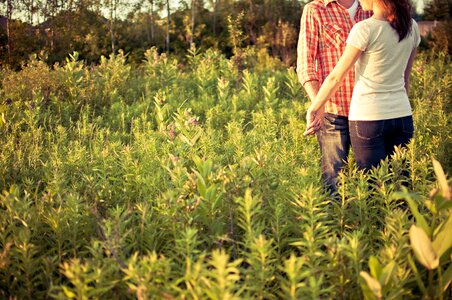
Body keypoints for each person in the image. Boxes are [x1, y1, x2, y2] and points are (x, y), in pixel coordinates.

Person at [303, 0, 420, 174]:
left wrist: (315, 107)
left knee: (371, 184)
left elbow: (336, 77)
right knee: (401, 182)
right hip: (402, 115)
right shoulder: (412, 26)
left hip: (368, 116)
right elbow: (405, 78)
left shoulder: (365, 27)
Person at [297, 0, 372, 194]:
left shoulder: (372, 8)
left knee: (371, 179)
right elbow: (305, 66)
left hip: (369, 111)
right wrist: (318, 104)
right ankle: (335, 223)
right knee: (334, 182)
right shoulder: (315, 10)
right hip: (333, 112)